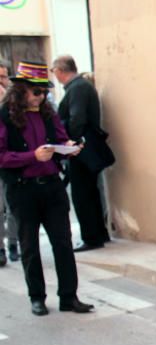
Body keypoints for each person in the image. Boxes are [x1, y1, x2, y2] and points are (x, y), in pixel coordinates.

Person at [0, 61, 94, 316]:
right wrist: (32, 156)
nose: (41, 97)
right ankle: (37, 298)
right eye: (36, 92)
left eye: (44, 92)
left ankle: (69, 297)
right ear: (20, 91)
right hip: (23, 190)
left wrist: (70, 146)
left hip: (51, 186)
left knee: (63, 243)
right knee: (29, 246)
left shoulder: (48, 114)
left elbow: (61, 139)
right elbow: (2, 156)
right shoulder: (4, 116)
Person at [51, 55, 110, 251]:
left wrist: (70, 144)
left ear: (60, 70)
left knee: (83, 194)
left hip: (80, 149)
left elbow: (77, 119)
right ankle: (98, 233)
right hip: (84, 147)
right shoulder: (80, 86)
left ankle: (92, 237)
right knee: (89, 192)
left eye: (54, 72)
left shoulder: (77, 88)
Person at [0, 59, 18, 266]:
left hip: (12, 161)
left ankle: (14, 243)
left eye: (4, 76)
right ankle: (1, 248)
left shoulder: (14, 103)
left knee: (13, 205)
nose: (2, 81)